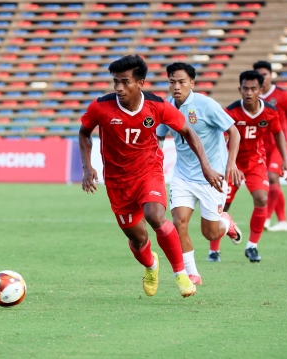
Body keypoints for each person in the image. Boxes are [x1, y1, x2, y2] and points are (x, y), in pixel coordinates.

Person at [78, 55, 224, 298]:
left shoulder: (157, 106)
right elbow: (84, 134)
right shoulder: (100, 107)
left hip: (148, 172)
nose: (118, 88)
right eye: (115, 82)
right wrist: (87, 167)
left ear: (141, 83)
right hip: (117, 181)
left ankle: (181, 274)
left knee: (155, 215)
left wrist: (206, 166)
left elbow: (187, 130)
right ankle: (151, 266)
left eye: (125, 82)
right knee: (138, 238)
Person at [156, 62, 242, 285]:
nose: (176, 86)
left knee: (210, 233)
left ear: (192, 83)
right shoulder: (166, 107)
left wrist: (231, 163)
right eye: (172, 82)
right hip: (183, 176)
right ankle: (192, 273)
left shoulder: (206, 105)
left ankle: (227, 224)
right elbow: (158, 137)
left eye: (182, 82)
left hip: (212, 178)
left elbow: (234, 131)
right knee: (178, 223)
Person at [223, 70, 287, 262]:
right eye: (245, 88)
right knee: (222, 205)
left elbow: (278, 133)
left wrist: (285, 159)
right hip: (233, 164)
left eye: (253, 89)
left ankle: (252, 246)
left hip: (255, 162)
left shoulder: (270, 111)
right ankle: (214, 249)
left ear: (261, 90)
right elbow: (219, 136)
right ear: (240, 89)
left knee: (262, 198)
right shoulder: (230, 112)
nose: (249, 93)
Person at [253, 60, 287, 232]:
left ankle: (266, 218)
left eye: (265, 74)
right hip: (261, 146)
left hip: (280, 144)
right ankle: (283, 221)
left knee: (272, 177)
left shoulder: (282, 95)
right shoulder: (254, 97)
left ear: (271, 75)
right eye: (259, 75)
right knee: (272, 182)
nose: (262, 78)